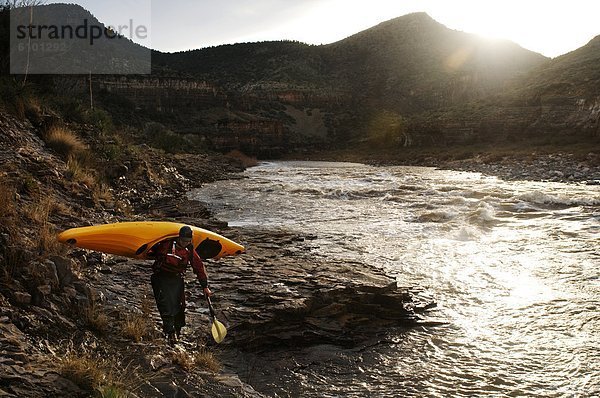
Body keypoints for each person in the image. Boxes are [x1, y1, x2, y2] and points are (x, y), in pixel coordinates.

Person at [150, 225, 212, 346]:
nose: (185, 243)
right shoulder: (166, 244)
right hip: (160, 278)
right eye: (183, 241)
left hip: (176, 279)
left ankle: (177, 331)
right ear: (179, 238)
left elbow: (198, 267)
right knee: (165, 306)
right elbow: (151, 250)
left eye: (188, 241)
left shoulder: (189, 250)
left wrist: (205, 286)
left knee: (179, 307)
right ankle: (170, 333)